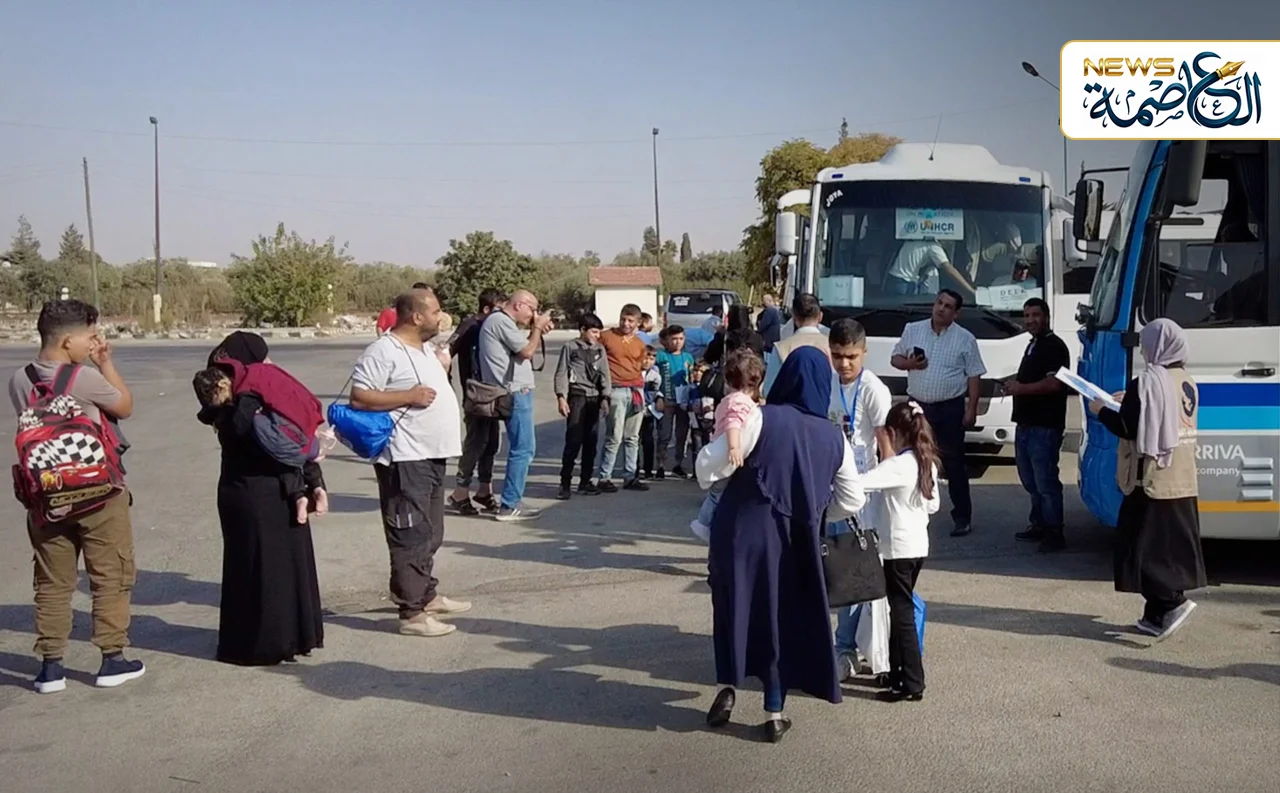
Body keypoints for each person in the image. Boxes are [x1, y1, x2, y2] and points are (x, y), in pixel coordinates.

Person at [699, 346, 866, 743]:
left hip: (740, 533)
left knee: (734, 608)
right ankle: (774, 711)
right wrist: (815, 511)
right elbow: (852, 499)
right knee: (780, 617)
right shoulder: (834, 437)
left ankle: (727, 686)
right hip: (795, 542)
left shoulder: (760, 417)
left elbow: (708, 467)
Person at [9, 300, 143, 693]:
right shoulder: (83, 378)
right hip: (99, 493)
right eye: (90, 336)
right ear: (68, 341)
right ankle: (112, 659)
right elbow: (124, 406)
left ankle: (51, 667)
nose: (95, 342)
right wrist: (105, 363)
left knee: (52, 581)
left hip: (47, 495)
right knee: (110, 575)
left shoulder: (20, 380)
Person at [194, 331, 327, 664]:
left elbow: (294, 436)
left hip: (275, 491)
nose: (268, 364)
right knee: (259, 571)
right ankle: (262, 645)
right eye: (263, 358)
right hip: (252, 495)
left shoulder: (257, 390)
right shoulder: (231, 395)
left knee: (286, 568)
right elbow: (247, 434)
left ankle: (291, 638)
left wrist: (312, 482)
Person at [351, 288, 469, 638]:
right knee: (410, 533)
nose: (440, 317)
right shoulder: (383, 351)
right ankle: (412, 612)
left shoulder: (424, 349)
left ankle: (426, 594)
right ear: (416, 316)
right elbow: (359, 398)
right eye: (434, 311)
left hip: (430, 453)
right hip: (404, 456)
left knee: (431, 531)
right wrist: (409, 396)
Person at [1090, 318, 1205, 640]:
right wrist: (1128, 399)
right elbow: (1152, 412)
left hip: (1150, 480)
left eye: (1146, 344)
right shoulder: (1185, 380)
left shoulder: (1148, 382)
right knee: (1168, 548)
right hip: (1179, 478)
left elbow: (1129, 427)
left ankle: (1172, 602)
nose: (1143, 350)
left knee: (1140, 549)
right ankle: (1155, 615)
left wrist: (1101, 410)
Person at [855, 401, 941, 702]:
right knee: (899, 608)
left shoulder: (897, 465)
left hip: (898, 549)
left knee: (901, 613)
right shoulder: (925, 460)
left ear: (892, 433)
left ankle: (913, 682)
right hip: (918, 546)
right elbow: (933, 505)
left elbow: (859, 484)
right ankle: (897, 674)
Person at [824, 318, 894, 681]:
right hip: (832, 490)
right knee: (840, 572)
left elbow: (885, 444)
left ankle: (853, 648)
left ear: (864, 352)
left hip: (864, 495)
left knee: (858, 574)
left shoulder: (873, 389)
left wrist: (888, 491)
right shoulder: (828, 382)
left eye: (851, 356)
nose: (844, 363)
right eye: (837, 356)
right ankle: (845, 647)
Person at [890, 289, 985, 537]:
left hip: (949, 408)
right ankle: (914, 511)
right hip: (918, 407)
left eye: (948, 306)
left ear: (956, 313)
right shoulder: (913, 329)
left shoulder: (965, 339)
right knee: (914, 459)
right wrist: (910, 364)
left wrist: (971, 409)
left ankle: (962, 517)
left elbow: (974, 375)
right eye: (939, 303)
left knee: (953, 463)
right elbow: (895, 359)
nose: (941, 308)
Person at [478, 288, 553, 521]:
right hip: (514, 392)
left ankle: (511, 500)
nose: (533, 314)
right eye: (532, 309)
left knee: (522, 448)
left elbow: (522, 347)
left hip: (514, 391)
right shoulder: (501, 321)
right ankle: (510, 503)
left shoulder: (502, 322)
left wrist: (535, 328)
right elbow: (527, 351)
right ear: (519, 305)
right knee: (523, 449)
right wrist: (537, 327)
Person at [1002, 297, 1070, 551]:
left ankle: (1054, 532)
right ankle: (1039, 524)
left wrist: (1020, 388)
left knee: (1046, 481)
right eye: (1027, 315)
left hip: (1045, 426)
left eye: (1035, 315)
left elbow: (1055, 384)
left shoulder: (1055, 346)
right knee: (1030, 480)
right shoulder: (1033, 344)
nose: (1030, 320)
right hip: (1025, 423)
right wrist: (1013, 384)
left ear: (1047, 317)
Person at [690, 349, 763, 541]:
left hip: (721, 451)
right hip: (725, 454)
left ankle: (707, 524)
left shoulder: (732, 399)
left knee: (718, 492)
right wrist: (734, 447)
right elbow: (734, 423)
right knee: (717, 493)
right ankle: (704, 524)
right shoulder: (739, 401)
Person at [447, 289, 506, 516]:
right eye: (498, 310)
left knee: (491, 443)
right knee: (475, 443)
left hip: (493, 394)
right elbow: (447, 352)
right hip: (476, 396)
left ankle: (484, 490)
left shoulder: (494, 327)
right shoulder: (470, 326)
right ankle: (460, 492)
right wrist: (446, 383)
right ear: (486, 309)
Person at [554, 312, 611, 500]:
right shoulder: (570, 347)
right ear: (583, 330)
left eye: (599, 332)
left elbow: (605, 374)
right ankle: (565, 484)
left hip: (594, 398)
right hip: (577, 397)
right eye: (594, 332)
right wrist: (561, 397)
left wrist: (605, 397)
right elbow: (561, 373)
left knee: (591, 442)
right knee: (573, 441)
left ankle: (585, 481)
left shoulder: (600, 349)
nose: (597, 336)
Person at [596, 304, 649, 492]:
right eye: (623, 319)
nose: (626, 324)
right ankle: (604, 477)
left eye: (630, 321)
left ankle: (630, 476)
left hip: (636, 390)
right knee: (614, 437)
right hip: (616, 390)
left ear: (638, 323)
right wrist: (603, 393)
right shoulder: (606, 336)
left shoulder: (640, 343)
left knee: (632, 437)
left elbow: (641, 366)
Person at [763, 293, 828, 396]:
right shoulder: (832, 346)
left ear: (793, 317)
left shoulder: (781, 348)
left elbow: (768, 389)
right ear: (820, 316)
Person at [655, 325, 696, 479]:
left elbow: (692, 378)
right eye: (674, 339)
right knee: (664, 433)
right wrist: (657, 396)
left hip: (683, 401)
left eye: (680, 338)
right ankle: (661, 464)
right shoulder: (661, 356)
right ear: (667, 340)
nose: (677, 342)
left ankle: (678, 463)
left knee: (682, 434)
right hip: (666, 399)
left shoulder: (688, 357)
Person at [639, 346, 660, 479]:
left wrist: (657, 398)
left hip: (647, 411)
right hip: (634, 409)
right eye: (646, 358)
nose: (648, 361)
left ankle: (648, 469)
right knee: (633, 440)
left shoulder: (654, 375)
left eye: (652, 359)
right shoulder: (633, 371)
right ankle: (633, 469)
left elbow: (654, 391)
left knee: (648, 440)